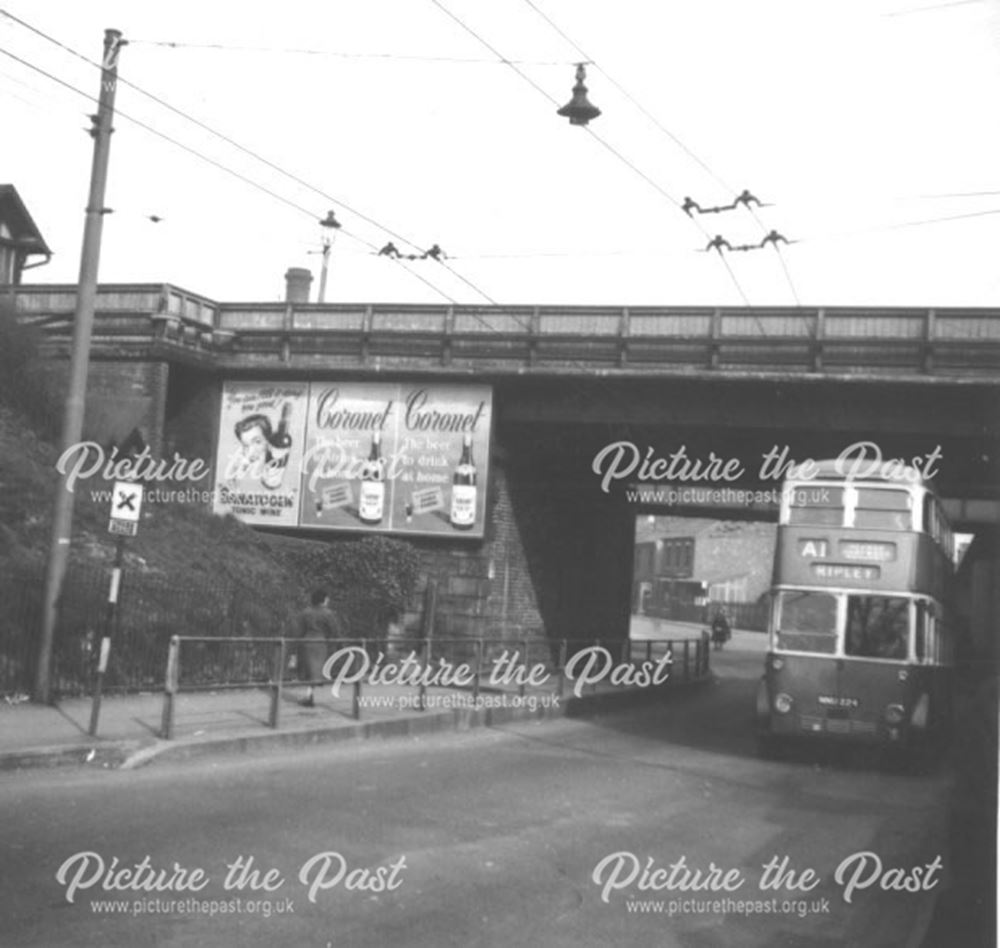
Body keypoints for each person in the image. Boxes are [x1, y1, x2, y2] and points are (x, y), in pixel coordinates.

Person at [293, 588, 339, 707]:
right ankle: (309, 697)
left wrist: (298, 642)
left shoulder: (305, 612)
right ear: (323, 600)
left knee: (309, 672)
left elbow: (300, 630)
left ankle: (309, 697)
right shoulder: (328, 613)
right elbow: (334, 630)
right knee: (315, 672)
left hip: (306, 643)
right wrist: (330, 640)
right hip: (320, 644)